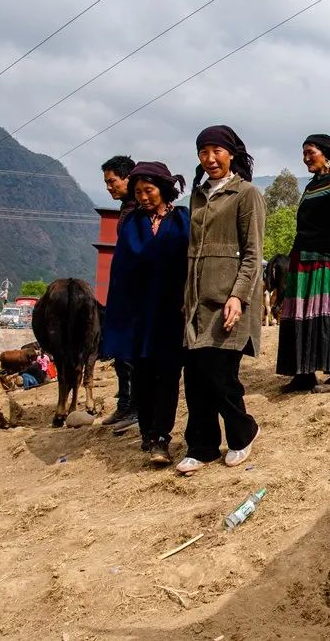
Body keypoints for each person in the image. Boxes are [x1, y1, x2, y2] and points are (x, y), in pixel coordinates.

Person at [178, 126, 265, 474]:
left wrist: (238, 297)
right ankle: (202, 447)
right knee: (196, 375)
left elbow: (253, 254)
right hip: (196, 301)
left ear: (231, 153)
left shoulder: (246, 194)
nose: (210, 159)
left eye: (217, 151)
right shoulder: (197, 196)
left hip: (228, 299)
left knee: (219, 374)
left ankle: (243, 433)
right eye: (203, 152)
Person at [101, 162, 190, 466]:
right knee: (142, 376)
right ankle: (147, 433)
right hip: (139, 314)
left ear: (164, 189)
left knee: (167, 374)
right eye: (138, 192)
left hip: (171, 312)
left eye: (148, 190)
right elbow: (121, 272)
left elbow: (191, 265)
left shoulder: (182, 221)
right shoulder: (132, 224)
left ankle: (162, 437)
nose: (143, 197)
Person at [276, 134, 330, 394]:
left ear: (327, 155)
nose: (305, 158)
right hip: (303, 258)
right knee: (301, 313)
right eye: (303, 153)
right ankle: (303, 373)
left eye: (310, 152)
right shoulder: (311, 187)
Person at [100, 155, 138, 431]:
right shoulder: (127, 207)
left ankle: (133, 407)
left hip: (135, 290)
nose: (109, 187)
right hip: (124, 289)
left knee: (131, 355)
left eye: (112, 181)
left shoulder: (138, 209)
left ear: (127, 178)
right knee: (122, 355)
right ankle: (125, 403)